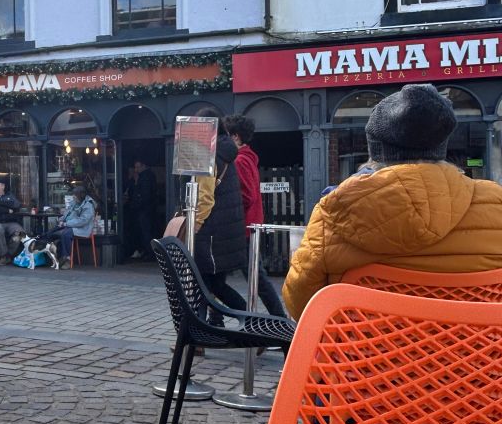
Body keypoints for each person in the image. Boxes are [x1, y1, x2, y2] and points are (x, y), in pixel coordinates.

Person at [283, 82, 502, 319]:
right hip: (476, 354)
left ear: (376, 150)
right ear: (441, 146)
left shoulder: (334, 210)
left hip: (362, 353)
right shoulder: (495, 203)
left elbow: (300, 305)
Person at [224, 114, 288, 323]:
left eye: (226, 135)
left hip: (242, 228)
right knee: (219, 277)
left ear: (235, 137)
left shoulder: (240, 160)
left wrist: (228, 210)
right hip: (246, 226)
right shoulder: (246, 158)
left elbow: (245, 195)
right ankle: (216, 321)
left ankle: (280, 324)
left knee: (256, 279)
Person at [193, 110, 249, 312]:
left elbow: (205, 197)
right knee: (215, 284)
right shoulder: (226, 151)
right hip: (226, 231)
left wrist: (196, 225)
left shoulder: (209, 152)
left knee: (202, 284)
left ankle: (195, 337)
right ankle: (248, 321)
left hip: (211, 232)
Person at [49, 185, 96, 269]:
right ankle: (54, 257)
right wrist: (61, 220)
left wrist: (66, 224)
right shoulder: (75, 202)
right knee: (51, 233)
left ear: (81, 195)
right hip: (69, 225)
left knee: (65, 234)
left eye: (75, 194)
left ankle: (67, 259)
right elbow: (67, 214)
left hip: (82, 229)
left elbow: (83, 221)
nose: (73, 196)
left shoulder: (88, 206)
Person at [125, 158, 156, 260]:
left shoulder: (145, 177)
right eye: (135, 167)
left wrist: (136, 205)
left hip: (144, 210)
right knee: (145, 231)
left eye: (138, 167)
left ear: (144, 166)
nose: (136, 169)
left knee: (145, 232)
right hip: (146, 209)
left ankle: (149, 253)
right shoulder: (147, 176)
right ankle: (147, 252)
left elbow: (144, 195)